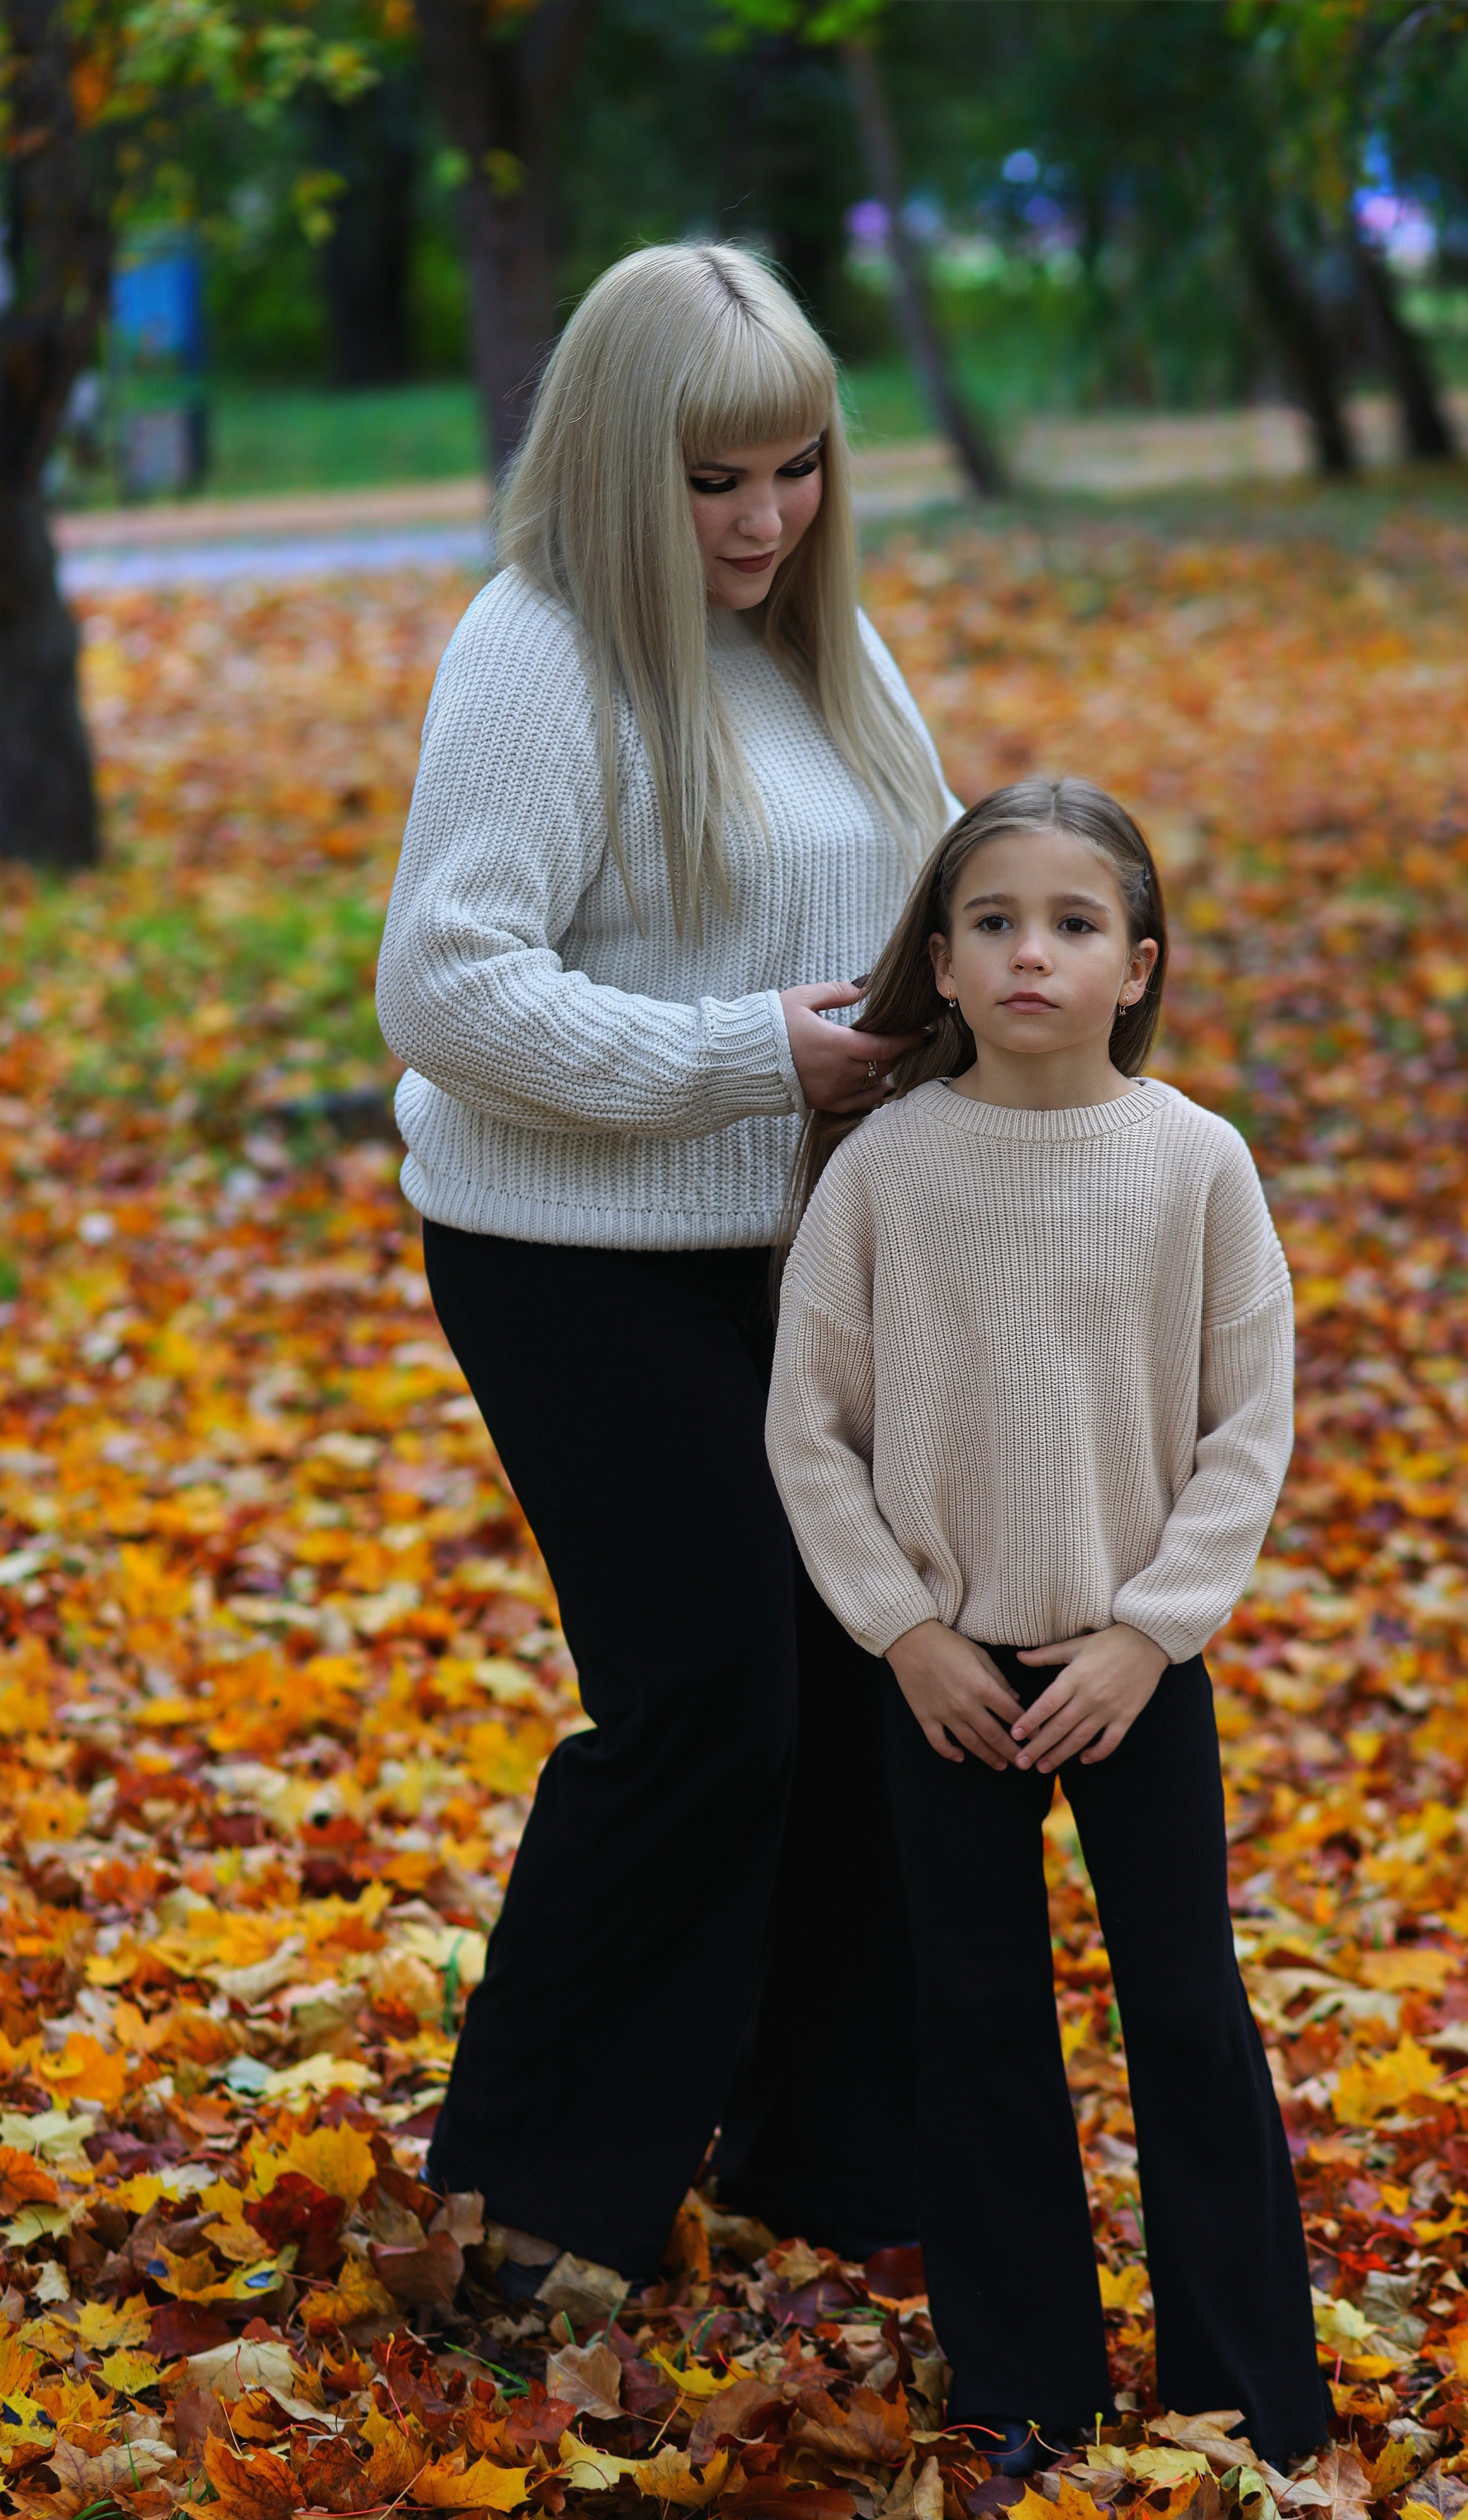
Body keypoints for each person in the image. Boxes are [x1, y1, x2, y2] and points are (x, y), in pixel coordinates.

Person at [375, 242, 956, 2291]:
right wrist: (749, 1056)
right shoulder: (539, 647)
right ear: (623, 462)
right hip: (572, 1257)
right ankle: (530, 2205)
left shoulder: (823, 640)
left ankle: (840, 2159)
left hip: (810, 1257)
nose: (766, 517)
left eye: (796, 466)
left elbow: (935, 887)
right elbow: (446, 984)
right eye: (717, 479)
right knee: (711, 1692)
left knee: (858, 1689)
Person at [765, 778, 1331, 2471]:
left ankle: (1244, 2382)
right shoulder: (883, 1171)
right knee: (978, 2012)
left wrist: (1152, 1632)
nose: (1032, 953)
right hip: (942, 1672)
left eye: (1073, 925)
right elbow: (808, 1426)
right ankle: (1027, 2383)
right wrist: (900, 1632)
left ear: (1136, 962)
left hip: (1132, 1666)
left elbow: (1249, 1420)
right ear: (936, 961)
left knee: (1181, 2000)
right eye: (994, 922)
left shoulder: (1194, 1163)